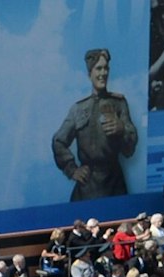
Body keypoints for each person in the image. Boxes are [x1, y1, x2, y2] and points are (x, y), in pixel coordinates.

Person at [53, 48, 137, 202]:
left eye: (106, 68)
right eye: (98, 68)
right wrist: (72, 170)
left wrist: (121, 129)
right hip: (88, 186)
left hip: (115, 183)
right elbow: (59, 141)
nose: (103, 73)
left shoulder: (119, 104)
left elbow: (129, 149)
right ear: (89, 73)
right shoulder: (79, 108)